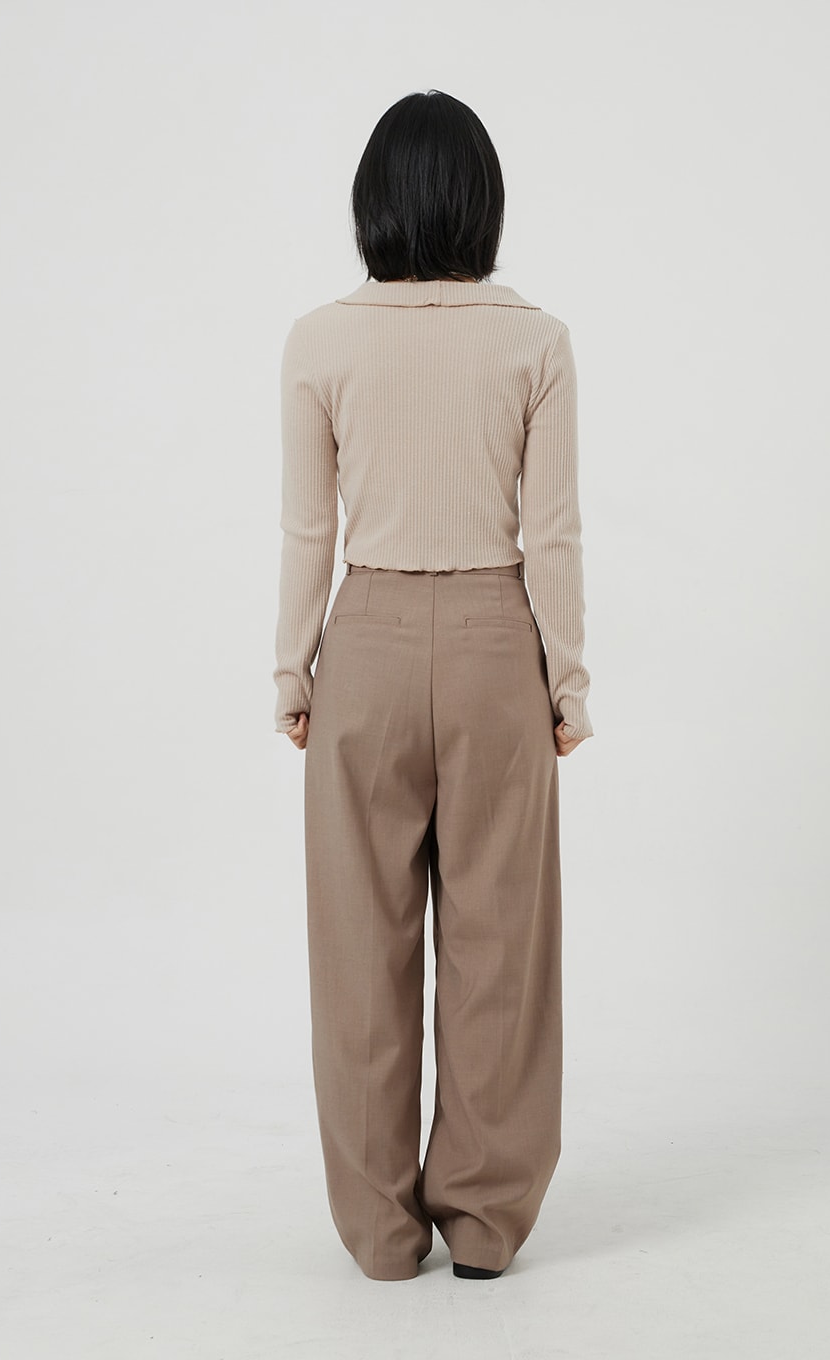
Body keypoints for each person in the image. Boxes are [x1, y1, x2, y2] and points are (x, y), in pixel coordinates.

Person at [273, 89, 593, 1282]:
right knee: (500, 940)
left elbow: (309, 529)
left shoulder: (320, 340)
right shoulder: (535, 341)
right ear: (481, 203)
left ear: (373, 204)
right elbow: (551, 533)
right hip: (498, 646)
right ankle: (485, 1220)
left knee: (358, 944)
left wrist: (291, 669)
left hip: (362, 642)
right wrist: (566, 680)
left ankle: (377, 1230)